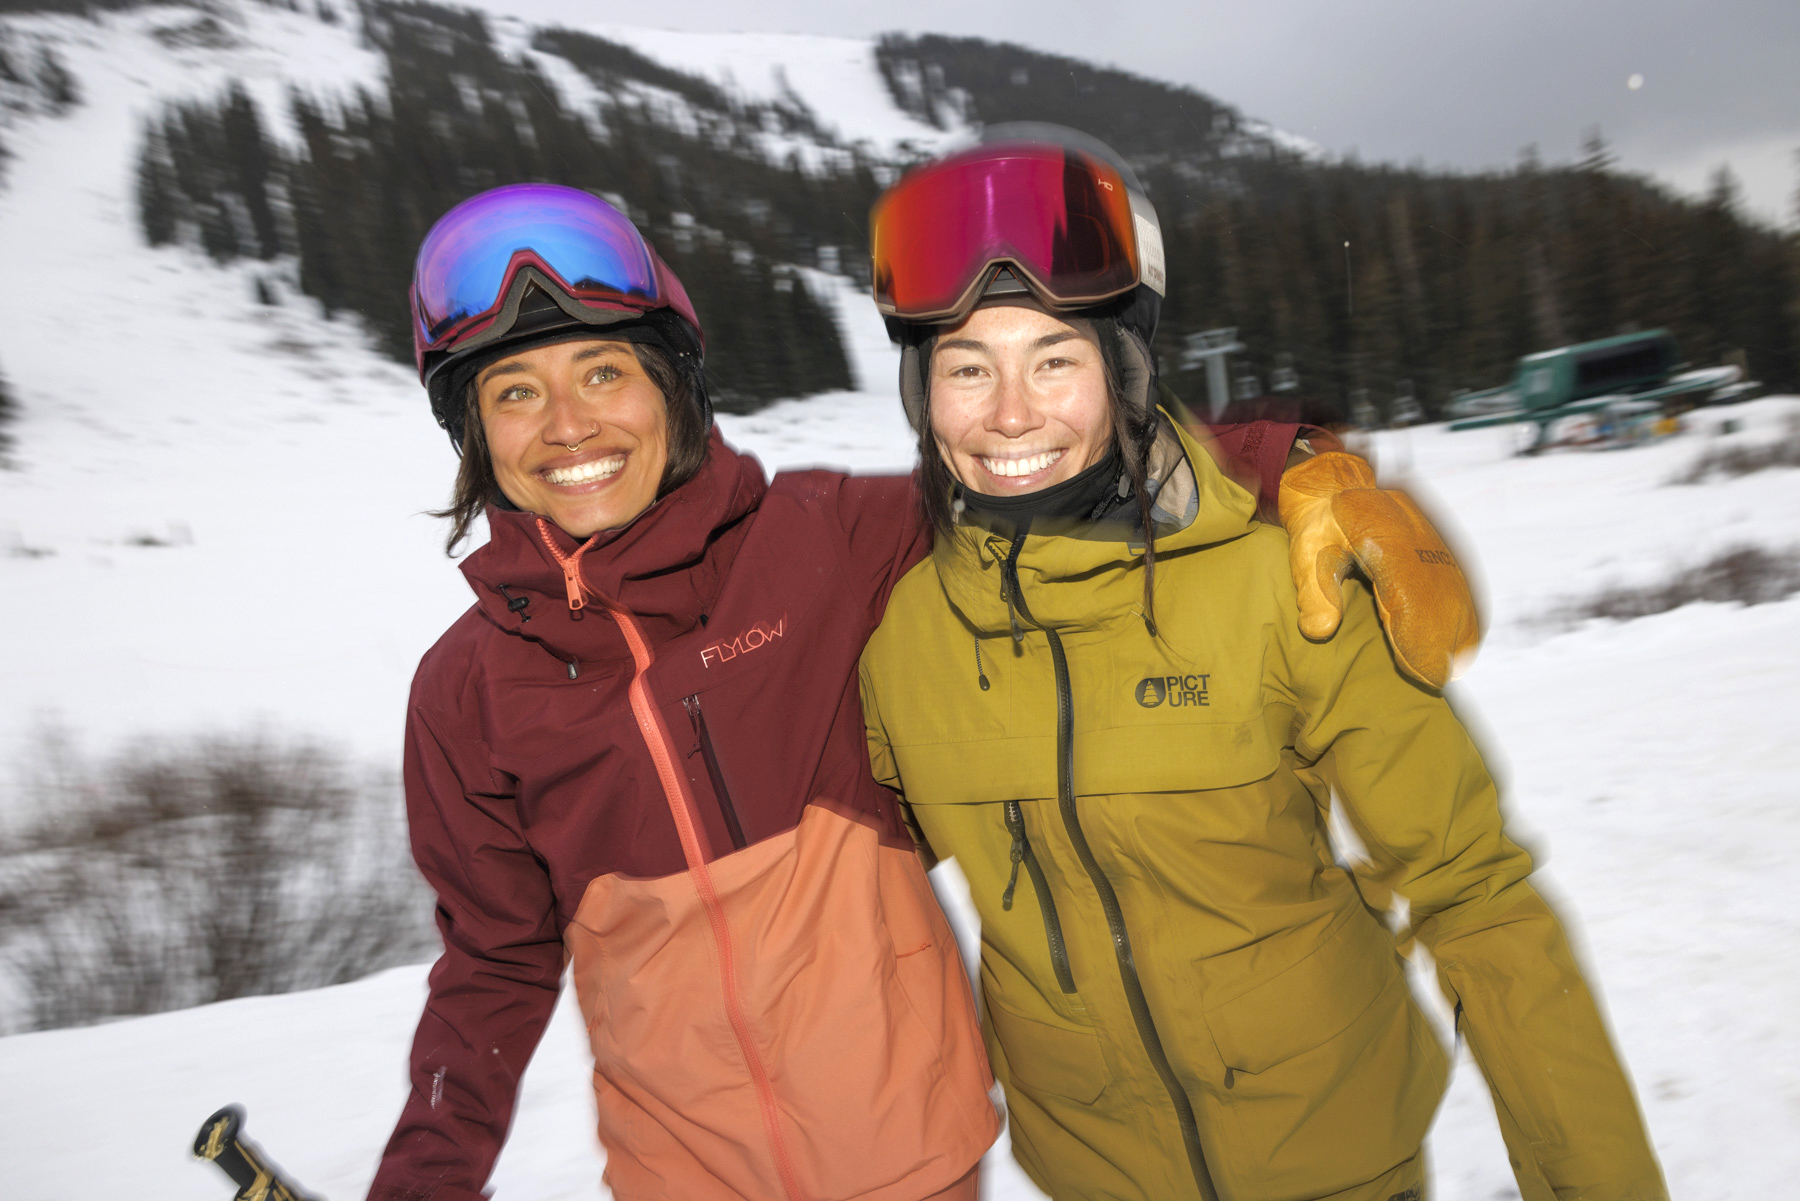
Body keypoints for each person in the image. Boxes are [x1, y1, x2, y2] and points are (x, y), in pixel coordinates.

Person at [369, 180, 1477, 1201]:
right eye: (515, 392)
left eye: (604, 372)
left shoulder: (821, 543)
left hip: (917, 1157)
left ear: (672, 383)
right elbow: (494, 962)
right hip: (677, 1179)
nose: (569, 426)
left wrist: (1288, 459)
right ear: (473, 432)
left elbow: (1049, 475)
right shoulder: (467, 692)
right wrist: (424, 1178)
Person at [857, 129, 1667, 1201]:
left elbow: (1477, 895)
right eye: (968, 367)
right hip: (1093, 1177)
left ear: (1123, 372)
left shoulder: (1288, 585)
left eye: (1055, 359)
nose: (1010, 413)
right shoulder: (903, 642)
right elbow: (827, 897)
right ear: (920, 393)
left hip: (1339, 1160)